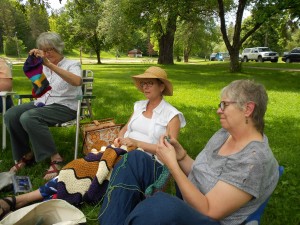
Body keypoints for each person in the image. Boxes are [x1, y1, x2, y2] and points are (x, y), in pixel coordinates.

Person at [0, 66, 186, 220]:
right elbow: (125, 129)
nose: (145, 87)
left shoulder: (171, 115)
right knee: (78, 167)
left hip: (147, 164)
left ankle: (21, 201)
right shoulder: (139, 106)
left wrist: (137, 143)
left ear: (162, 87)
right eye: (143, 83)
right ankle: (24, 201)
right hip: (121, 153)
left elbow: (170, 152)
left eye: (150, 83)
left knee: (88, 175)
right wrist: (119, 139)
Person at [98, 79, 279, 225]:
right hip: (190, 198)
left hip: (207, 217)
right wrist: (181, 156)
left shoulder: (253, 160)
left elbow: (210, 210)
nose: (218, 110)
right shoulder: (225, 134)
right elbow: (202, 172)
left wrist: (173, 165)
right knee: (134, 159)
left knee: (157, 206)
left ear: (248, 109)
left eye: (224, 105)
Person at [4, 32, 82, 180]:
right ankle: (26, 154)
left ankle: (55, 157)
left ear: (59, 48)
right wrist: (35, 60)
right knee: (11, 114)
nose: (46, 53)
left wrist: (50, 65)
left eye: (50, 49)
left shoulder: (72, 64)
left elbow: (77, 81)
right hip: (43, 102)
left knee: (29, 117)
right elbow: (38, 81)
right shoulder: (43, 63)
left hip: (65, 105)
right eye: (43, 50)